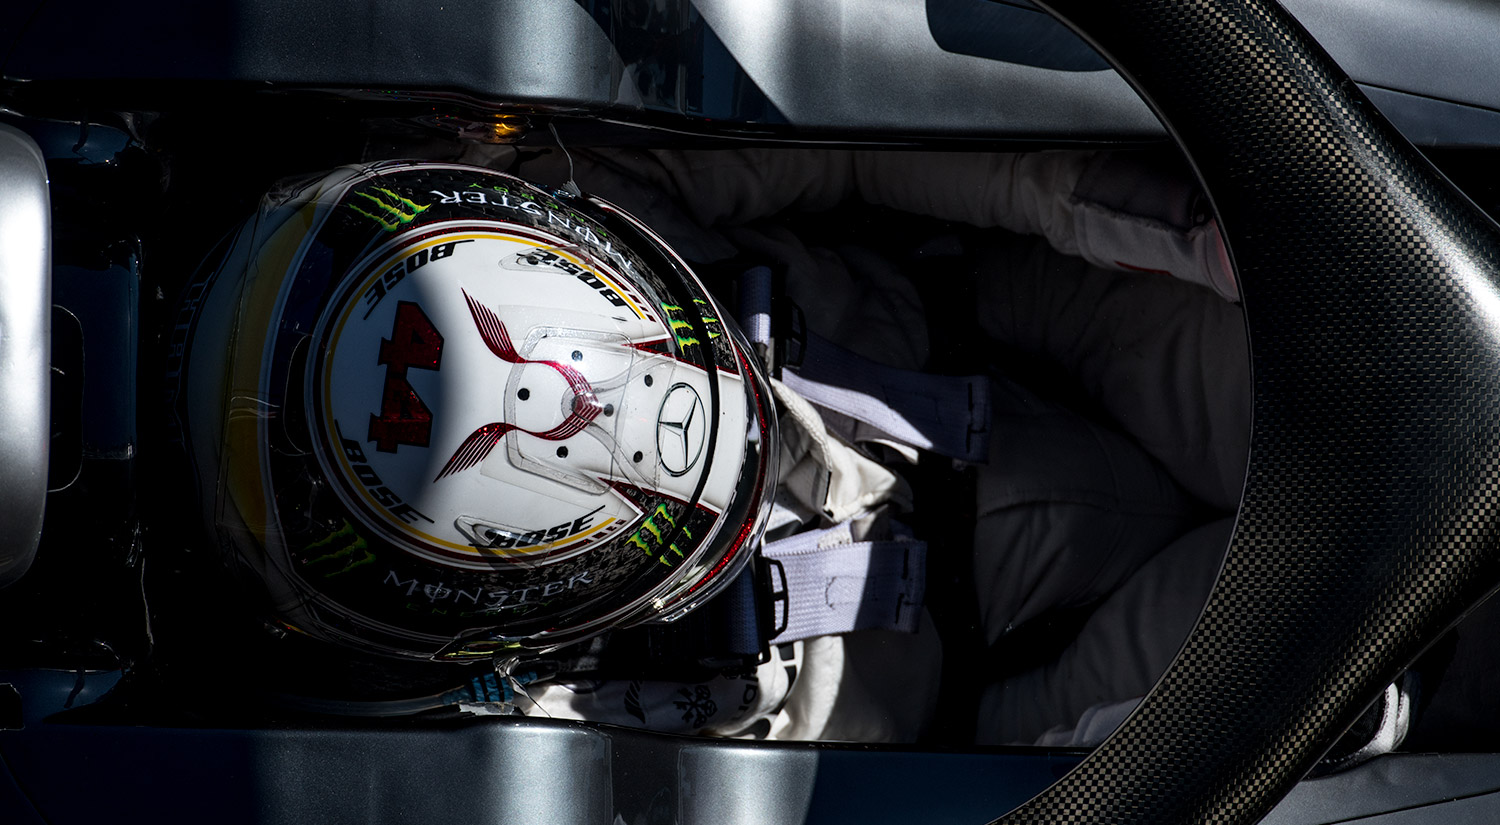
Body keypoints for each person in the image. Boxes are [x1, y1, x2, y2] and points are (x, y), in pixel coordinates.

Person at [174, 141, 1253, 746]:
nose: (572, 410)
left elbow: (857, 146)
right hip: (999, 686)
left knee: (1343, 355)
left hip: (1029, 328)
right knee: (1330, 659)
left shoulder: (602, 191)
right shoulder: (559, 727)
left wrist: (1183, 233)